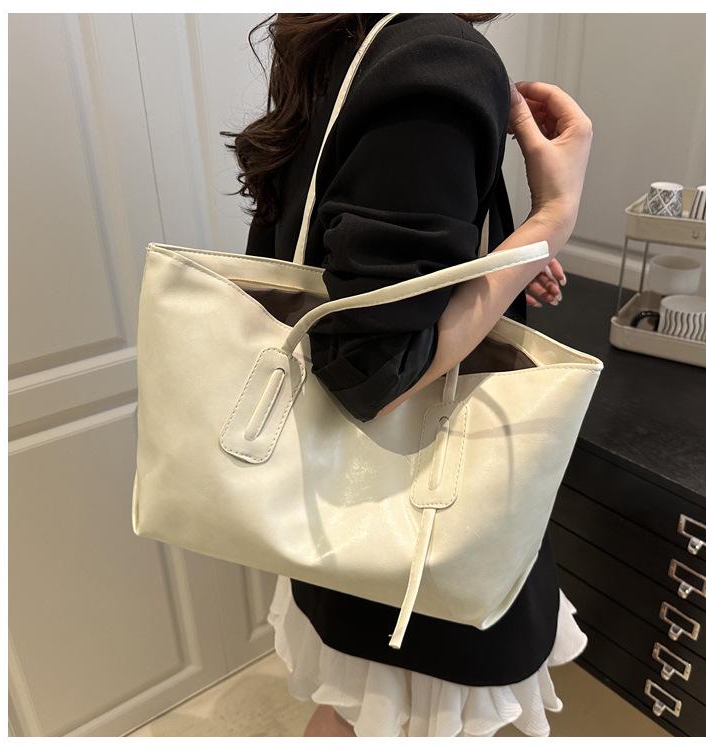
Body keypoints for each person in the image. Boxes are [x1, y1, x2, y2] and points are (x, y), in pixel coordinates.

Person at [224, 12, 593, 737]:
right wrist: (553, 215)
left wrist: (503, 258)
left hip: (338, 504)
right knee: (396, 716)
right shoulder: (438, 55)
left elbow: (340, 269)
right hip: (420, 528)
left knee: (357, 712)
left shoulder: (346, 39)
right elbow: (375, 372)